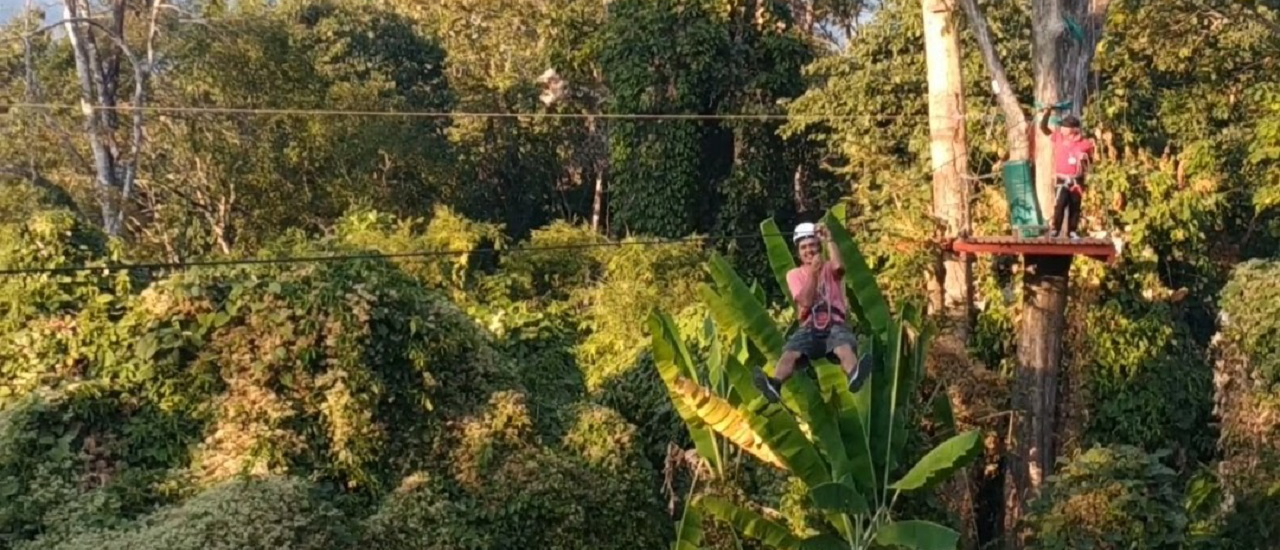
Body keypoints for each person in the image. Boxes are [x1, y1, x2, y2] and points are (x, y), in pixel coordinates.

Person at [754, 222, 864, 403]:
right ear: (798, 252)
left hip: (834, 323)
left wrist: (829, 239)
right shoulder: (794, 274)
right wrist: (813, 273)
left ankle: (854, 374)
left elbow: (840, 267)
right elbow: (805, 300)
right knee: (790, 353)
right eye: (804, 247)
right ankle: (775, 384)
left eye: (812, 245)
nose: (809, 250)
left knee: (843, 346)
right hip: (810, 326)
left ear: (818, 247)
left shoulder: (829, 268)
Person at [1039, 106, 1095, 239]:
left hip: (1077, 179)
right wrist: (1046, 114)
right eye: (1062, 126)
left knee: (1075, 205)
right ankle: (1055, 229)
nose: (1062, 129)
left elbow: (1092, 161)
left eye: (1065, 127)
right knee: (1060, 204)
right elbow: (1043, 128)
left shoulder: (1084, 144)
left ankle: (1072, 231)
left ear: (1073, 130)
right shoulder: (1058, 137)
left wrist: (1085, 159)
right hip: (1062, 179)